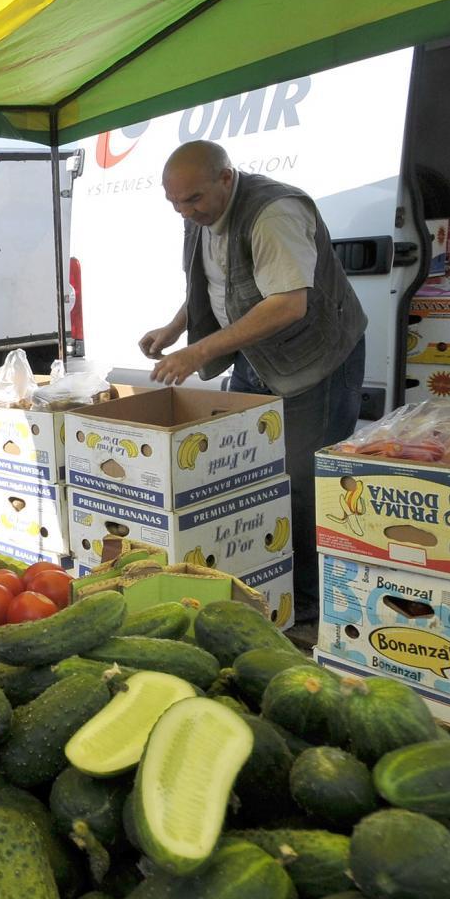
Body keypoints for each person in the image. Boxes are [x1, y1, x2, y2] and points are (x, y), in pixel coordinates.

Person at [137, 141, 366, 627]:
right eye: (174, 203)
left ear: (226, 178)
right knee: (246, 468)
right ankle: (263, 580)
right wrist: (176, 328)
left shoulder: (273, 214)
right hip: (258, 359)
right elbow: (217, 280)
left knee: (301, 482)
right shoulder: (203, 212)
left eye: (193, 200)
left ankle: (309, 600)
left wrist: (199, 351)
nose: (184, 211)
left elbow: (288, 304)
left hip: (315, 361)